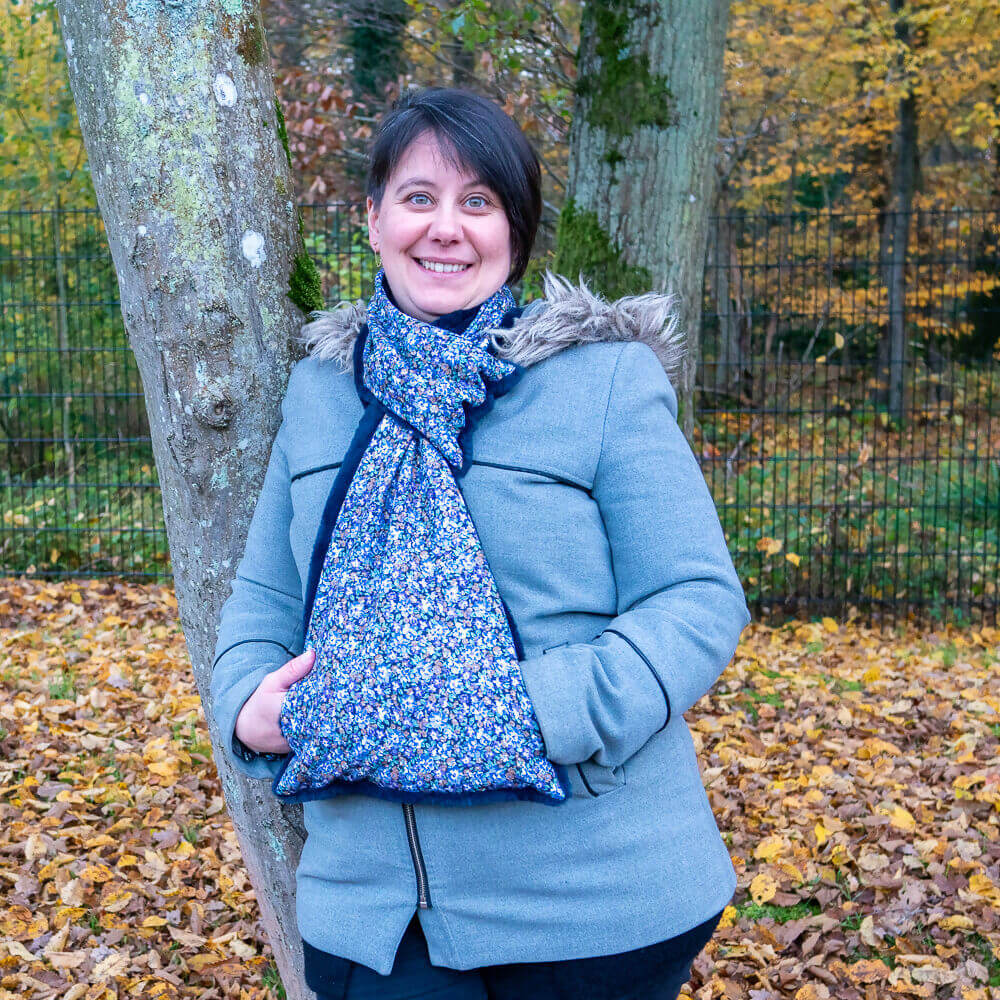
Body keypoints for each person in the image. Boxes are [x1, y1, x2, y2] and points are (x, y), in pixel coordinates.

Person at [211, 87, 751, 1000]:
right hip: (377, 914)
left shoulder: (601, 380)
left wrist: (537, 709)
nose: (446, 228)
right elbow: (265, 595)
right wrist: (243, 709)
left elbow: (696, 598)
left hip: (590, 902)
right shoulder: (321, 393)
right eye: (418, 197)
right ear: (373, 218)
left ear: (514, 231)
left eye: (478, 202)